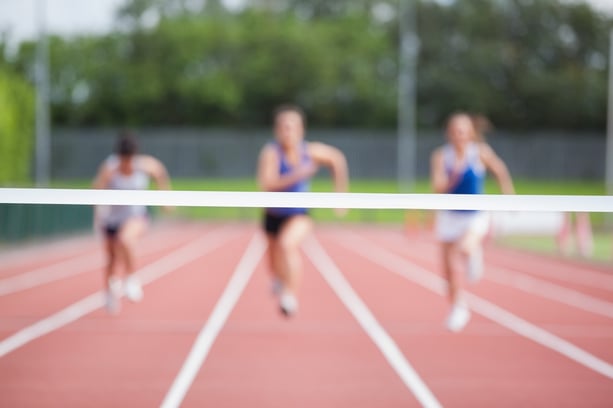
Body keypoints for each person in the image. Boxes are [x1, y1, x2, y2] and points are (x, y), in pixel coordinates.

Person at [257, 104, 349, 317]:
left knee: (287, 245)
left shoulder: (310, 151)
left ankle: (290, 295)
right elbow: (267, 183)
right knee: (273, 265)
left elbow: (337, 159)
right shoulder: (271, 153)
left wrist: (340, 196)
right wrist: (298, 174)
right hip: (273, 214)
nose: (287, 131)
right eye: (283, 127)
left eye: (292, 127)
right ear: (276, 130)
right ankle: (280, 281)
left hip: (298, 214)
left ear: (301, 130)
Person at [430, 112, 514, 332]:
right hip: (449, 215)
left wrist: (509, 196)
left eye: (463, 130)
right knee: (448, 269)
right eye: (454, 130)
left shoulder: (480, 153)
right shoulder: (441, 156)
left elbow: (500, 170)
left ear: (470, 133)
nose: (459, 135)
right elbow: (436, 188)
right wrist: (452, 178)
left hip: (475, 215)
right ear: (448, 133)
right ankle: (459, 307)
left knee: (465, 247)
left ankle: (473, 252)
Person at [92, 132, 172, 314]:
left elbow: (160, 173)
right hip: (111, 219)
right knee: (111, 260)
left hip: (136, 217)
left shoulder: (145, 165)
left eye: (129, 160)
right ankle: (109, 294)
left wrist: (165, 199)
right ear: (118, 157)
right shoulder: (109, 168)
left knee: (126, 239)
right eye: (123, 160)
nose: (126, 164)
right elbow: (95, 191)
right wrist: (97, 210)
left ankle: (131, 278)